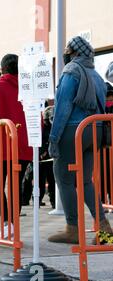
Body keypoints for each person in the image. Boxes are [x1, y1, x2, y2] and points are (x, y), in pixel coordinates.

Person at [48, 36, 113, 244]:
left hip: (73, 129)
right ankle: (104, 228)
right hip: (95, 130)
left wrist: (54, 137)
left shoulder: (71, 71)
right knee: (85, 181)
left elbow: (63, 107)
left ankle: (73, 228)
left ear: (74, 53)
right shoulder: (95, 75)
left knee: (64, 178)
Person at [0, 54, 33, 239]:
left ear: (2, 69)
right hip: (23, 144)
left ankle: (6, 224)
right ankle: (14, 226)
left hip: (2, 143)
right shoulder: (27, 88)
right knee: (16, 186)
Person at [39, 105, 56, 209]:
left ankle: (54, 202)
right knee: (40, 181)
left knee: (52, 180)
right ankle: (37, 200)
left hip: (51, 157)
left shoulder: (53, 127)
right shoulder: (42, 127)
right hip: (42, 158)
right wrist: (42, 152)